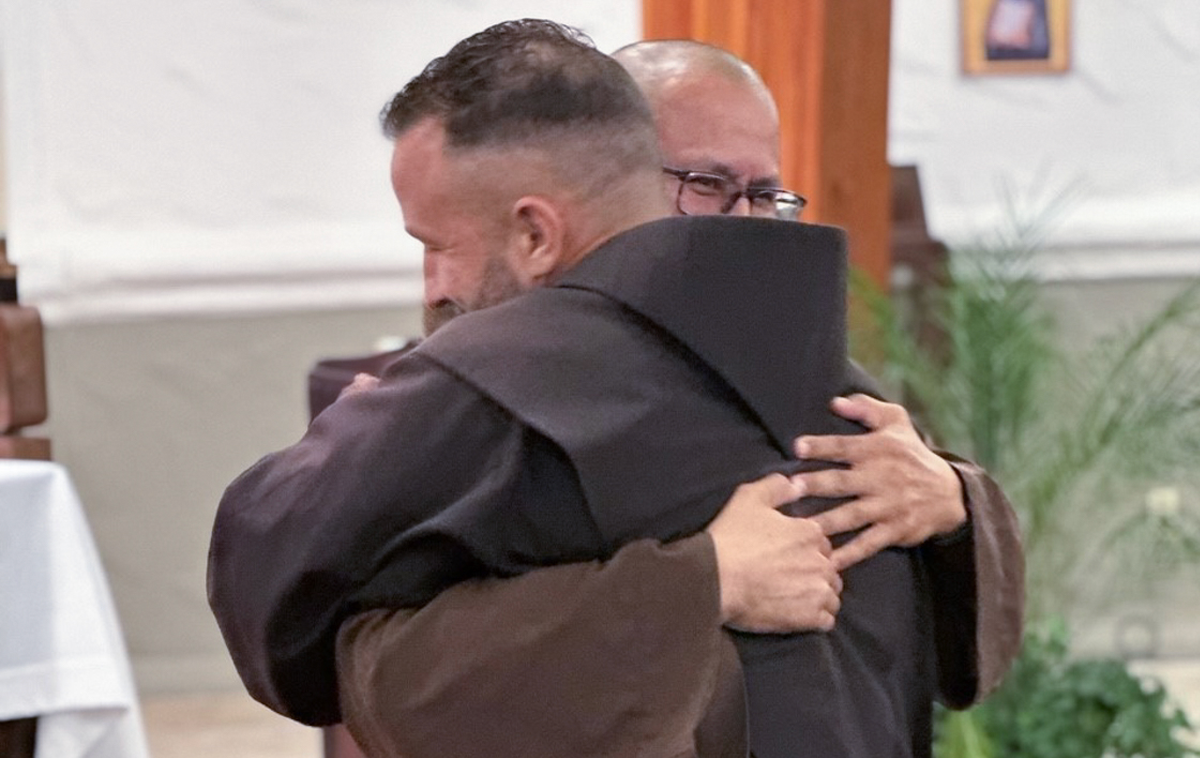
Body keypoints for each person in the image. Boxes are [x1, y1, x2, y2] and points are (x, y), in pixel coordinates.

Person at [208, 22, 1022, 758]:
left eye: (762, 192)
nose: (737, 222)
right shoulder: (503, 384)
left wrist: (953, 500)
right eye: (706, 182)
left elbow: (277, 588)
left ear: (537, 229)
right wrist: (700, 581)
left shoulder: (497, 382)